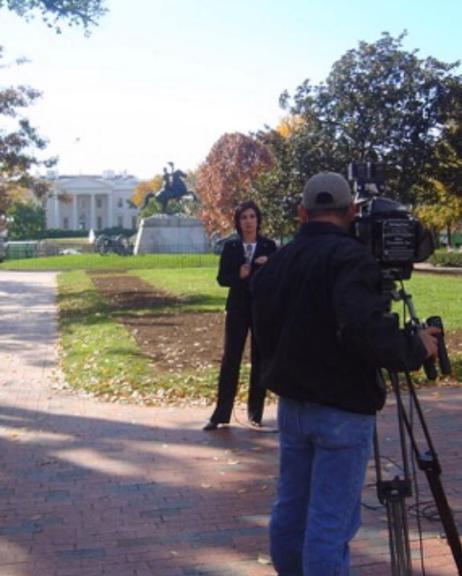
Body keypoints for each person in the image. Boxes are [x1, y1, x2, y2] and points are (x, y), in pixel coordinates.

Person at [250, 172, 440, 575]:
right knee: (329, 525)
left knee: (291, 512)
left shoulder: (279, 260)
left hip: (293, 406)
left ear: (303, 213)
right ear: (351, 213)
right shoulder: (352, 259)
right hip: (341, 408)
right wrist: (415, 347)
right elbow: (364, 329)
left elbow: (264, 328)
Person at [203, 200, 277, 431]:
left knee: (260, 359)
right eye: (244, 217)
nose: (248, 221)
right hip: (237, 308)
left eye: (252, 217)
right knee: (230, 359)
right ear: (238, 221)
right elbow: (222, 278)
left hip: (261, 308)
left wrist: (270, 263)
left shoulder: (269, 246)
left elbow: (278, 276)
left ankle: (256, 413)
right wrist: (239, 274)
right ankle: (221, 414)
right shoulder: (231, 247)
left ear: (258, 220)